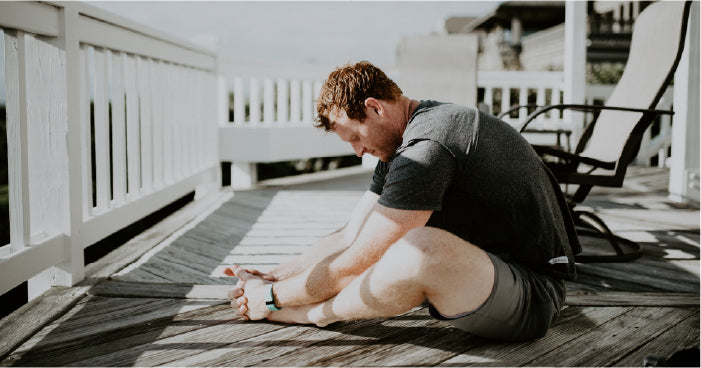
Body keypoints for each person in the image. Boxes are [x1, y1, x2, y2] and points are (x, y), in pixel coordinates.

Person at [225, 61, 580, 341]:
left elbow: (358, 260)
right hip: (483, 276)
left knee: (417, 249)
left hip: (533, 294)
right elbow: (351, 235)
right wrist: (274, 275)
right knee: (388, 243)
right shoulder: (401, 144)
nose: (357, 150)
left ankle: (316, 315)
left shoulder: (428, 146)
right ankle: (299, 305)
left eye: (354, 136)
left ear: (374, 107)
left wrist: (274, 299)